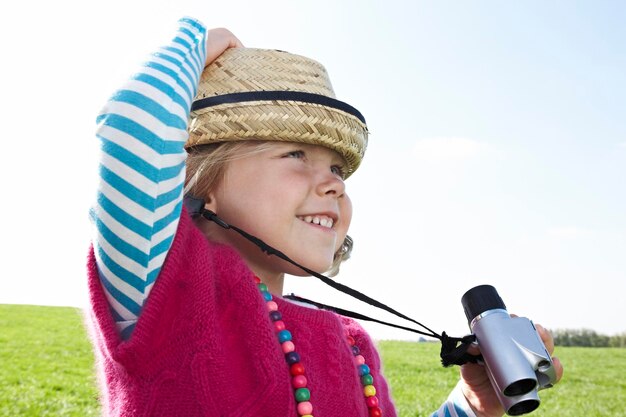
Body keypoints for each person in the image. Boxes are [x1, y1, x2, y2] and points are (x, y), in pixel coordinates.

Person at [87, 17, 562, 417]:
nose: (335, 183)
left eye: (337, 168)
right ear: (203, 181)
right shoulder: (162, 293)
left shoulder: (351, 342)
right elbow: (135, 121)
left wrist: (472, 401)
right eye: (295, 154)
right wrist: (200, 40)